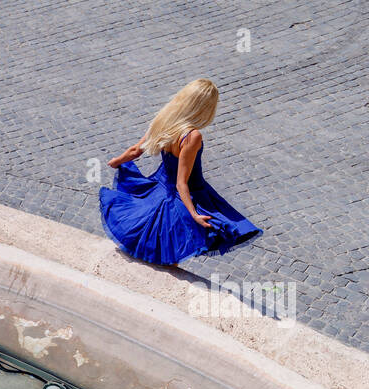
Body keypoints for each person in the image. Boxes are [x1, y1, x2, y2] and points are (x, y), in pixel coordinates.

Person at [99, 78, 260, 265]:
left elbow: (136, 150)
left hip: (158, 188)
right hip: (183, 196)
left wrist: (117, 161)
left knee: (156, 241)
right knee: (173, 251)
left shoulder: (164, 120)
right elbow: (181, 182)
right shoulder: (192, 136)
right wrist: (193, 214)